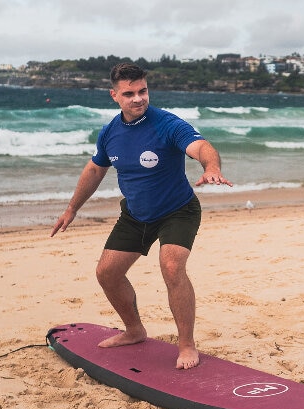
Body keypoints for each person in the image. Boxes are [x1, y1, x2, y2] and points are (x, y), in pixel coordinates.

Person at [51, 63, 232, 370]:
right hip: (136, 215)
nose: (138, 98)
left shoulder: (167, 124)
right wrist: (72, 208)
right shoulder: (110, 132)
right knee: (106, 273)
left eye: (143, 91)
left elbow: (201, 147)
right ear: (114, 95)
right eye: (129, 93)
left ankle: (186, 344)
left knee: (172, 267)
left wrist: (211, 168)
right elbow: (95, 169)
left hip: (178, 211)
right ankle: (134, 330)